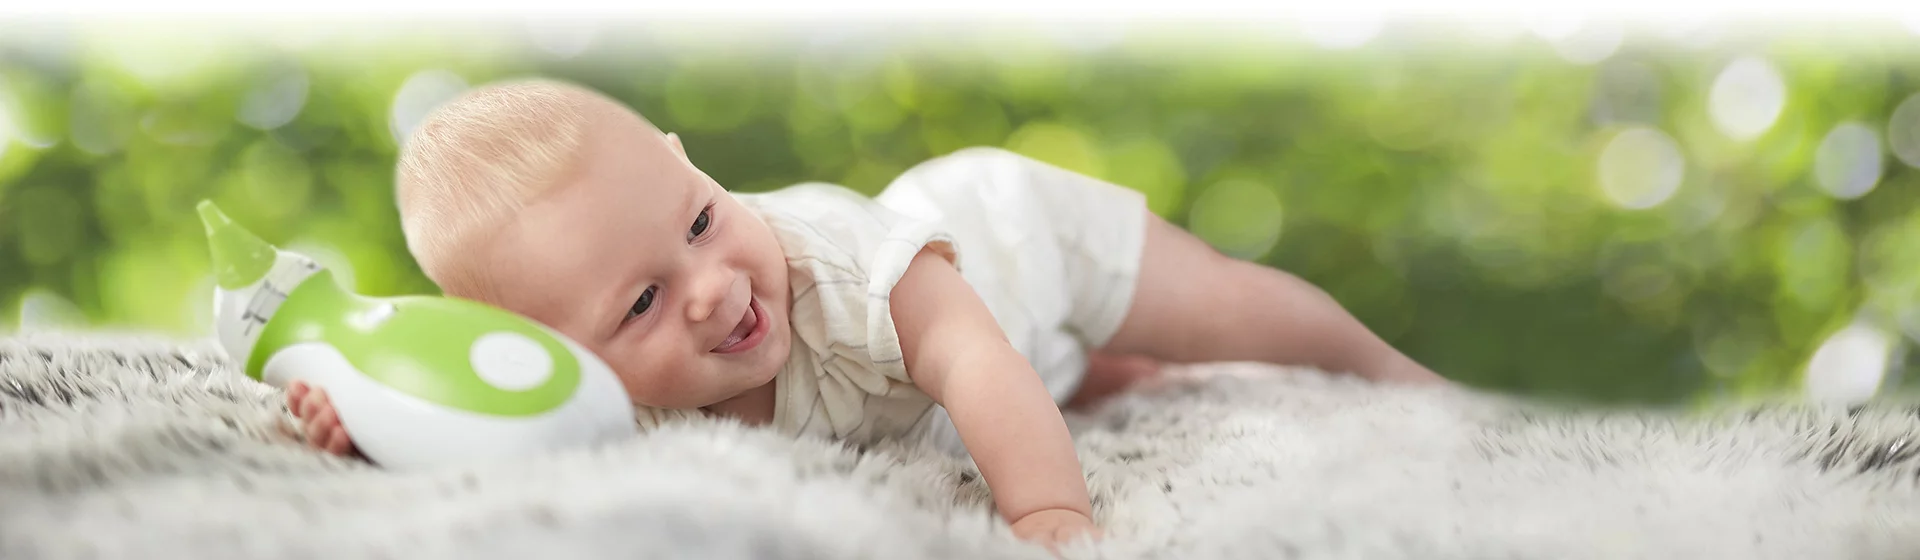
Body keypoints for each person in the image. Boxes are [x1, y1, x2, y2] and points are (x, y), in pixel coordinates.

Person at [285, 78, 1444, 550]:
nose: (713, 286)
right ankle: (1104, 374)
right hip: (976, 364)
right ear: (554, 350)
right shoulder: (595, 400)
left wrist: (1043, 510)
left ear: (695, 167)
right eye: (640, 300)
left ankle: (1383, 359)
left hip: (1017, 243)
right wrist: (358, 416)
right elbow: (475, 410)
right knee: (1088, 374)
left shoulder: (841, 269)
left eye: (697, 219)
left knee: (1229, 311)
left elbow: (970, 357)